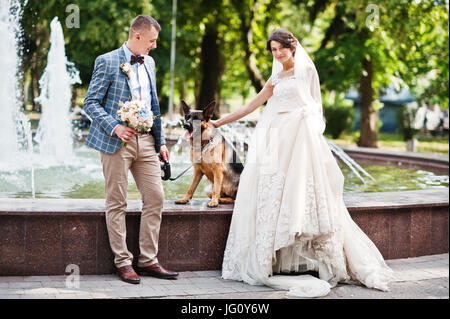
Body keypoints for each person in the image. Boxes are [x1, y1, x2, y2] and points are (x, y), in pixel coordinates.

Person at [212, 28, 394, 297]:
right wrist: (218, 121)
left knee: (302, 196)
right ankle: (273, 259)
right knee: (273, 197)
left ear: (292, 45)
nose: (277, 53)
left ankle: (319, 260)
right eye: (273, 50)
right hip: (277, 139)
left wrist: (305, 122)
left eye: (280, 48)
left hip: (300, 140)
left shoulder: (306, 71)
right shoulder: (275, 77)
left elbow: (316, 107)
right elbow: (251, 106)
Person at [83, 15, 178, 284]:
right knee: (117, 202)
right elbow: (90, 103)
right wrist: (115, 126)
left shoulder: (150, 62)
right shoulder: (107, 60)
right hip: (116, 142)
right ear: (137, 36)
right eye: (152, 41)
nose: (154, 46)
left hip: (146, 142)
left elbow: (153, 104)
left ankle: (148, 260)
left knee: (156, 198)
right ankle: (123, 262)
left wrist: (160, 142)